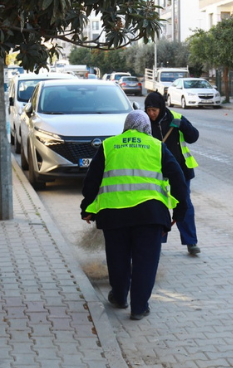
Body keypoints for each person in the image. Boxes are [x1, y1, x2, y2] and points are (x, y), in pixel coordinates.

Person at [80, 110, 188, 320]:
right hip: (150, 215)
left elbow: (92, 180)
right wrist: (180, 210)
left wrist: (87, 208)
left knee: (117, 259)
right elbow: (178, 179)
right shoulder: (157, 146)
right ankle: (139, 308)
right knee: (145, 262)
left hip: (114, 215)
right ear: (147, 127)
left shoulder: (109, 145)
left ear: (126, 126)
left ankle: (120, 297)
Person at [143, 91, 201, 255]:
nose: (151, 114)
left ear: (161, 108)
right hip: (156, 172)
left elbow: (194, 137)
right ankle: (158, 242)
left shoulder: (176, 117)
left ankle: (191, 242)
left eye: (154, 110)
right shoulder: (143, 122)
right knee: (158, 207)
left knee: (184, 205)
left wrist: (183, 125)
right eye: (149, 110)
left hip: (180, 171)